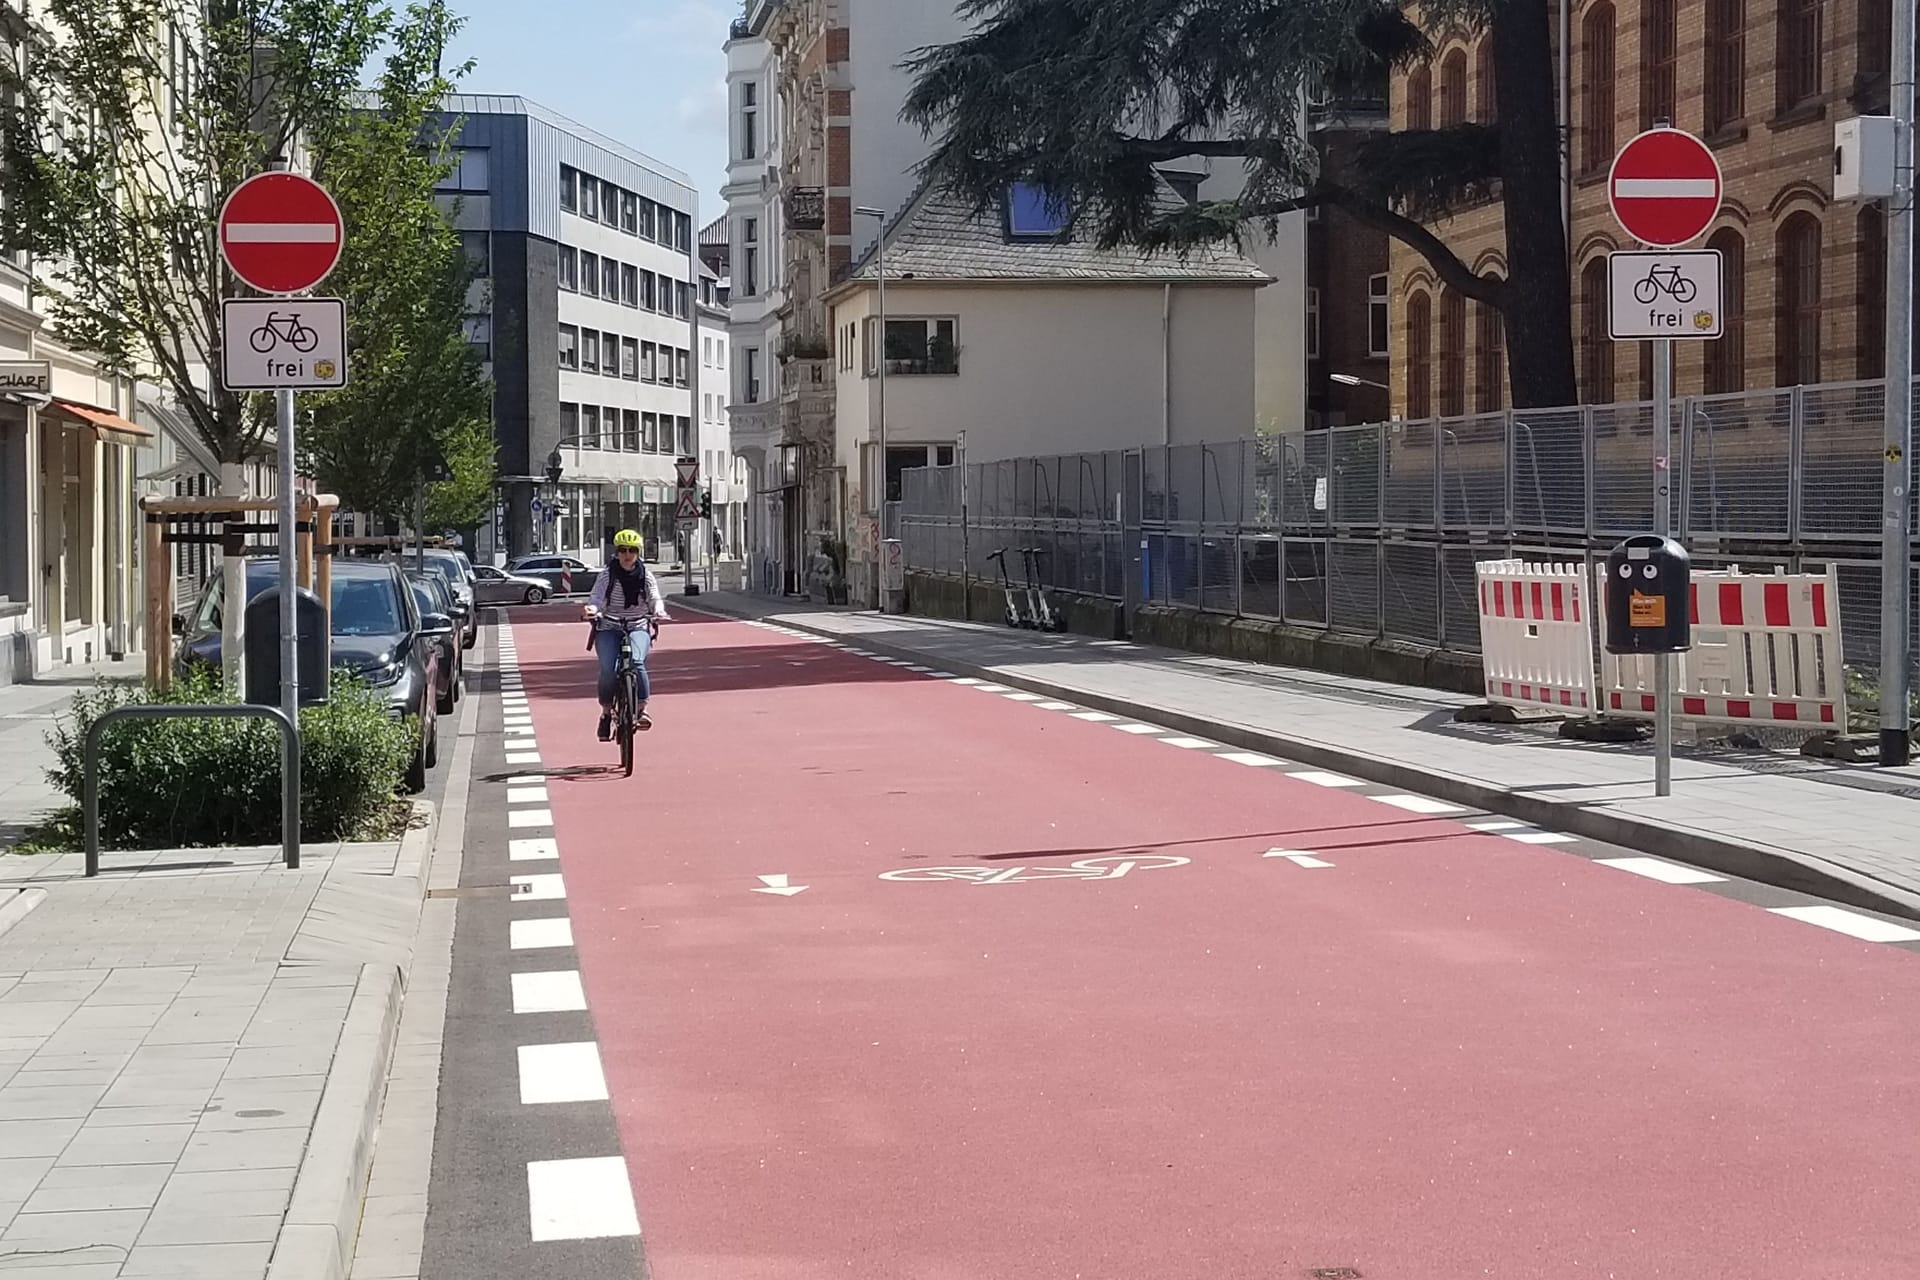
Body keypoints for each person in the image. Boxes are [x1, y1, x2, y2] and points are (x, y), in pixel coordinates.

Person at [582, 529, 667, 740]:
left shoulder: (645, 575)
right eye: (622, 550)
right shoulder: (607, 575)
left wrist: (658, 611)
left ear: (638, 552)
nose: (627, 555)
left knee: (637, 662)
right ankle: (605, 713)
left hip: (637, 625)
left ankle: (641, 708)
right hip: (609, 627)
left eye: (632, 550)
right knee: (608, 669)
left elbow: (655, 597)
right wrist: (591, 610)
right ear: (616, 552)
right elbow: (596, 598)